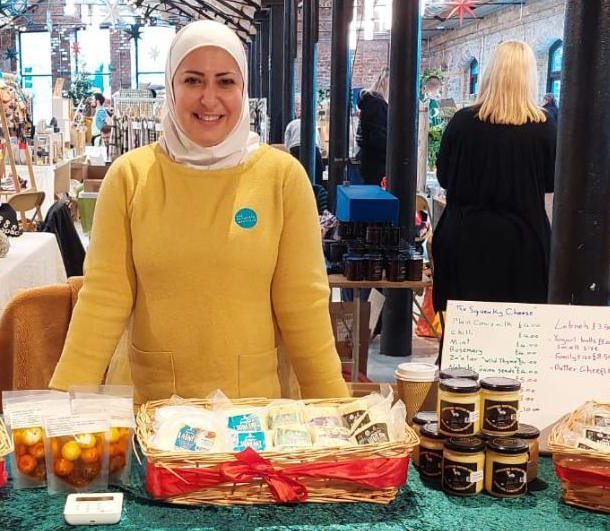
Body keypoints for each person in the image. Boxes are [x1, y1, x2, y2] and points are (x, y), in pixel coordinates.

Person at [50, 20, 349, 403]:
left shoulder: (282, 178)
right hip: (151, 411)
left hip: (251, 417)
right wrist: (61, 400)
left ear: (244, 89)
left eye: (225, 81)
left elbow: (302, 302)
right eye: (192, 81)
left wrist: (336, 406)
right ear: (171, 89)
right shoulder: (130, 176)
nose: (209, 99)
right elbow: (104, 298)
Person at [431, 40, 556, 314]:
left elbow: (443, 177)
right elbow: (551, 182)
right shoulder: (544, 127)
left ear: (489, 75)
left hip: (466, 240)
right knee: (520, 339)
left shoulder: (463, 122)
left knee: (461, 339)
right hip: (523, 244)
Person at [284, 96, 328, 213]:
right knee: (317, 179)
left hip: (295, 149)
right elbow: (319, 143)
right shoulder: (313, 124)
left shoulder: (291, 123)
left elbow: (286, 144)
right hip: (314, 149)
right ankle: (316, 205)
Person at [356, 70, 388, 185]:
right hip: (378, 165)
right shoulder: (379, 106)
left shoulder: (369, 104)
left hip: (369, 162)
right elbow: (378, 138)